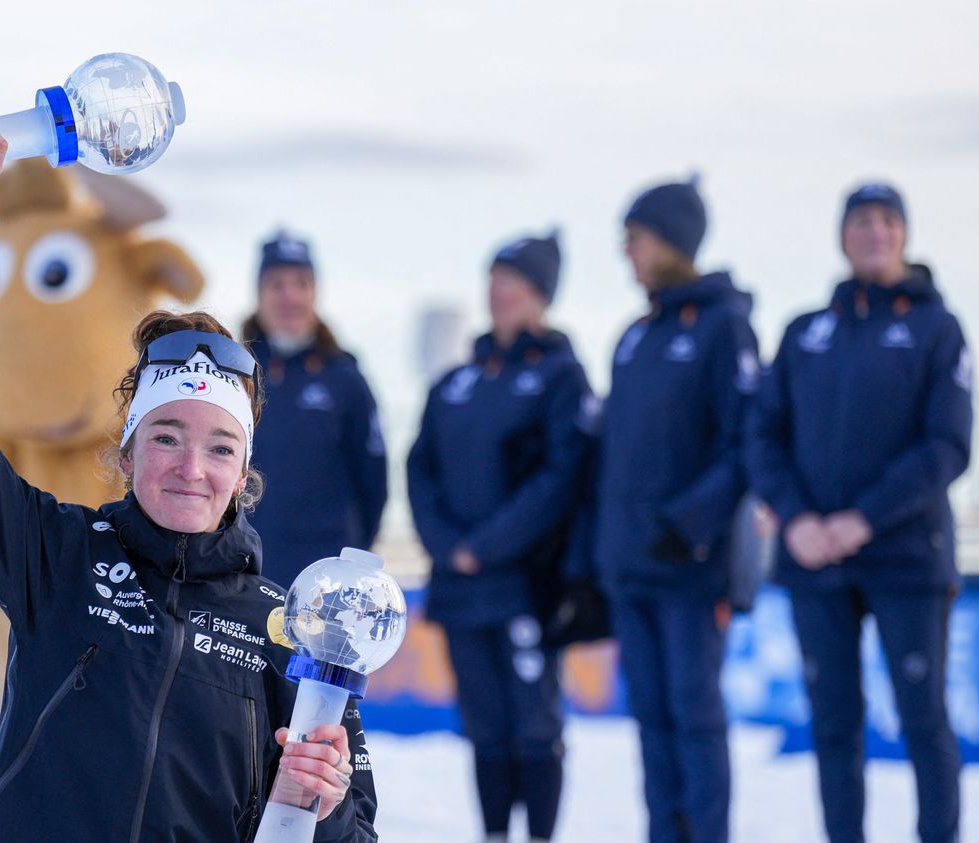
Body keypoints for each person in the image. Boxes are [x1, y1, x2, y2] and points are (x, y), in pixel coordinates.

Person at [0, 111, 376, 842]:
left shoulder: (292, 634)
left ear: (243, 471)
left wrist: (322, 807)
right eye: (166, 436)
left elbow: (354, 833)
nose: (189, 468)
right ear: (128, 450)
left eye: (218, 448)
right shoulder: (55, 555)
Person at [747, 182, 971, 843]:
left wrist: (862, 519)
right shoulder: (805, 332)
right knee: (834, 726)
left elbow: (947, 445)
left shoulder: (938, 329)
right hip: (815, 561)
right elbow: (762, 435)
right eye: (861, 221)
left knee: (922, 720)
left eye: (886, 220)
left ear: (904, 234)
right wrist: (795, 519)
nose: (874, 231)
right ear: (843, 237)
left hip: (906, 558)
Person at [407, 232, 594, 843]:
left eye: (512, 280)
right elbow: (420, 467)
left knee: (534, 726)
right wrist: (444, 545)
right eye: (492, 278)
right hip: (461, 589)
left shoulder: (561, 376)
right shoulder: (456, 384)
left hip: (525, 585)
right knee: (484, 727)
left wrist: (484, 545)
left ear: (541, 294)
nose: (497, 292)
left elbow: (562, 476)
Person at [589, 177, 759, 843]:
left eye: (634, 238)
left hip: (693, 567)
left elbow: (745, 440)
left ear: (670, 240)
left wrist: (688, 524)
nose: (626, 252)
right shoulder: (634, 337)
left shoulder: (723, 324)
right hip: (631, 567)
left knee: (695, 717)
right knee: (652, 721)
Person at [241, 229, 388, 586]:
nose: (290, 296)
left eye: (301, 284)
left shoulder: (345, 378)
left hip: (322, 580)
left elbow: (374, 483)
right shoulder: (235, 372)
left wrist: (349, 558)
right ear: (259, 293)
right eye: (277, 284)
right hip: (243, 570)